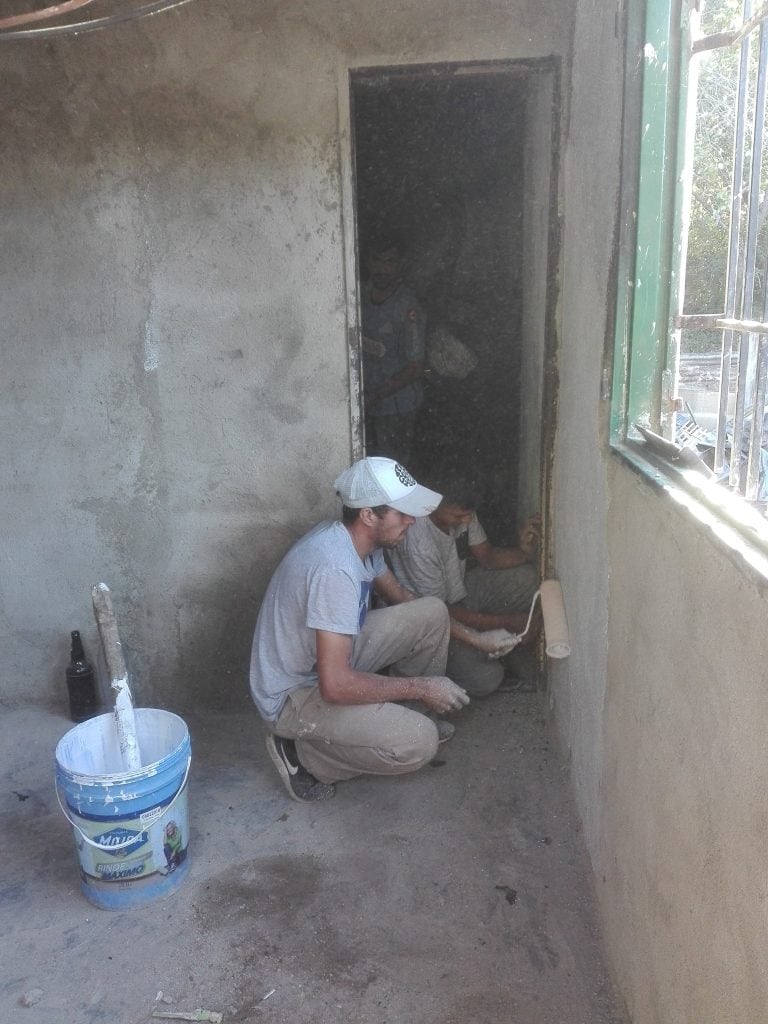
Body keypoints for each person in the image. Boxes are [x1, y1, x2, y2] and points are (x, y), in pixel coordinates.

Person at [249, 456, 470, 803]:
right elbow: (335, 685)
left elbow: (403, 600)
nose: (412, 520)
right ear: (369, 515)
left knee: (431, 612)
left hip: (323, 662)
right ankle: (304, 757)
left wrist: (477, 639)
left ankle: (399, 718)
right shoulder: (334, 568)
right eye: (402, 513)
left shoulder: (362, 544)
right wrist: (421, 686)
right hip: (292, 694)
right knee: (417, 742)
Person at [388, 473, 541, 698]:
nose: (467, 521)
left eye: (469, 515)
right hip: (432, 619)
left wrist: (525, 552)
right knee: (486, 679)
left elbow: (487, 557)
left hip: (460, 591)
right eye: (459, 515)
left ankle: (494, 643)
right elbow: (441, 611)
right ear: (433, 506)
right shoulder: (419, 542)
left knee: (526, 579)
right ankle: (447, 668)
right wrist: (510, 623)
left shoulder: (464, 515)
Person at [361, 235, 426, 466]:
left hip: (396, 407)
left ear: (400, 266)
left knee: (394, 471)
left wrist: (376, 396)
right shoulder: (356, 295)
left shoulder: (407, 307)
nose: (381, 268)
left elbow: (415, 366)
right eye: (377, 260)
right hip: (364, 403)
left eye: (389, 262)